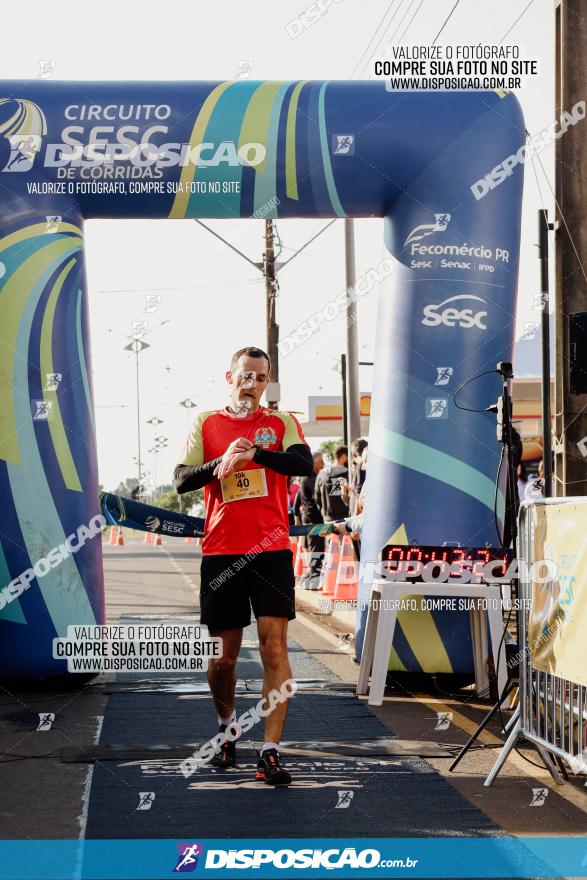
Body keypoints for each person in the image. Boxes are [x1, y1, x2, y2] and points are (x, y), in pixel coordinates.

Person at [174, 346, 313, 786]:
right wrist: (222, 463)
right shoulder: (207, 423)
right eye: (247, 375)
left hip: (270, 550)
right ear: (230, 376)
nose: (254, 383)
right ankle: (227, 726)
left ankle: (270, 752)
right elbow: (180, 480)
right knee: (223, 659)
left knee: (275, 649)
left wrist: (256, 455)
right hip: (222, 552)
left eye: (262, 376)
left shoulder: (281, 422)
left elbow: (302, 463)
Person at [293, 452, 325, 588]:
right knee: (316, 550)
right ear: (314, 463)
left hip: (308, 518)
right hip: (314, 519)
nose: (323, 464)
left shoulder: (305, 477)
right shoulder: (311, 478)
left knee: (312, 549)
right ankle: (314, 579)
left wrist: (296, 514)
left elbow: (297, 499)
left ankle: (312, 577)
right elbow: (318, 499)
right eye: (321, 462)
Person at [314, 444, 349, 523]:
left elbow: (317, 497)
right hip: (343, 519)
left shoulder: (321, 474)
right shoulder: (344, 474)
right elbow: (342, 496)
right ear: (343, 457)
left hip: (327, 518)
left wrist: (324, 511)